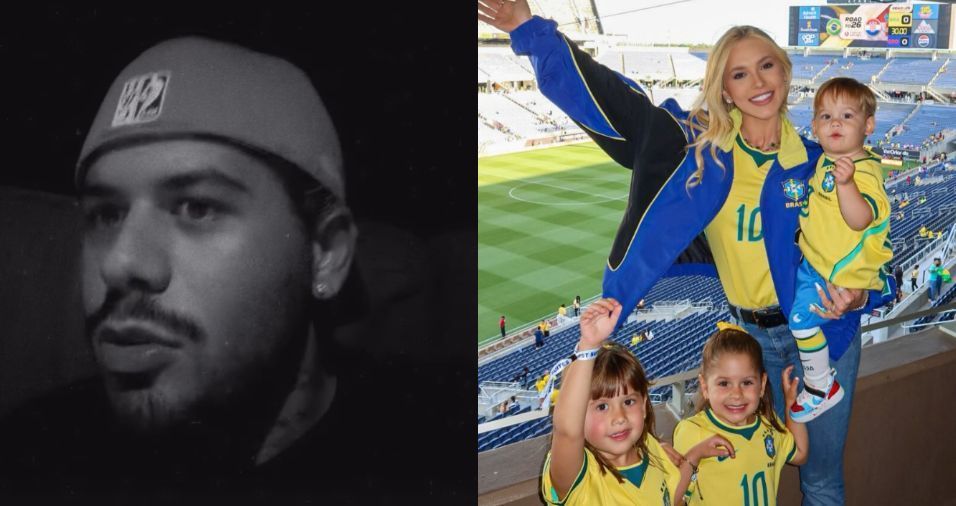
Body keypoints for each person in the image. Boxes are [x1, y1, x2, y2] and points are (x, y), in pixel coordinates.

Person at [478, 2, 893, 502]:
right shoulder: (697, 151)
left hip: (824, 332)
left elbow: (874, 242)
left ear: (785, 72)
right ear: (725, 89)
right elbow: (617, 105)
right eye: (739, 73)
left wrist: (860, 297)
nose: (757, 81)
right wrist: (531, 33)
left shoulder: (822, 162)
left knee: (821, 475)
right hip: (746, 346)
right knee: (737, 479)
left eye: (766, 65)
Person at [0, 36, 444, 503]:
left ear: (324, 251)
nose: (120, 263)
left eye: (196, 208)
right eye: (106, 215)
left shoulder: (434, 444)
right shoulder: (28, 456)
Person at [540, 298, 730, 505]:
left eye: (629, 402)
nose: (619, 417)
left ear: (644, 405)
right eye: (602, 406)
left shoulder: (652, 448)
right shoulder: (580, 477)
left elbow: (671, 498)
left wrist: (694, 456)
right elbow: (567, 432)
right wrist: (588, 347)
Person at [787, 78, 892, 422]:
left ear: (869, 125)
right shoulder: (829, 160)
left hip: (834, 275)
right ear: (814, 125)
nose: (835, 123)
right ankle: (819, 384)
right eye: (825, 116)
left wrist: (846, 186)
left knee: (801, 324)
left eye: (846, 115)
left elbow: (862, 218)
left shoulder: (862, 170)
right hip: (820, 265)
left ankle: (821, 385)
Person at [674, 323, 808, 505]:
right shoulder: (692, 431)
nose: (736, 394)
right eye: (723, 383)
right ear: (705, 387)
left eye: (746, 382)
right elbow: (673, 500)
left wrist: (792, 406)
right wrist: (694, 456)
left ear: (762, 384)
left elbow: (800, 454)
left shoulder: (768, 424)